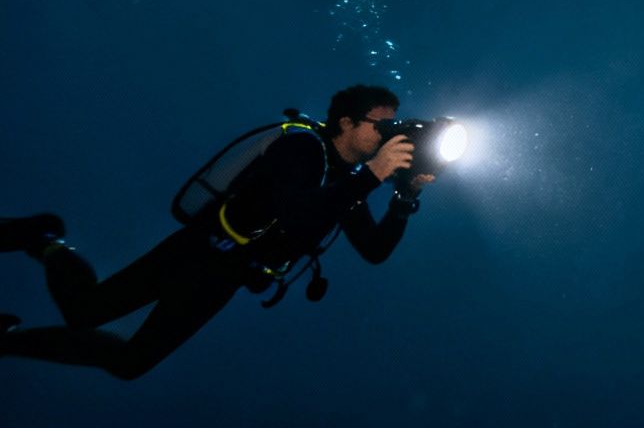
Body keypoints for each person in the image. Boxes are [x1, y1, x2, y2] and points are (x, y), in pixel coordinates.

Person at [0, 84, 432, 379]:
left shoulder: (350, 181)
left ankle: (8, 338)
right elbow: (297, 213)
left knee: (132, 362)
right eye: (381, 125)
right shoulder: (302, 148)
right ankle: (44, 240)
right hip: (199, 250)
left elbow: (374, 250)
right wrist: (372, 176)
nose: (388, 134)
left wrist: (404, 199)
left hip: (226, 275)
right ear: (345, 123)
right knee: (85, 312)